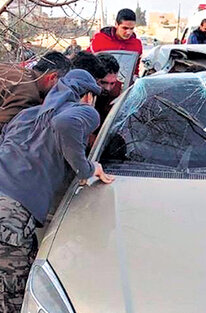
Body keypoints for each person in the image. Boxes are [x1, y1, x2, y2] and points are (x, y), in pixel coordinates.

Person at [0, 69, 114, 312]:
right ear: (87, 96)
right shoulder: (83, 110)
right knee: (13, 297)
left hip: (8, 207)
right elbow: (66, 123)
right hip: (10, 213)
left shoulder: (26, 115)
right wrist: (87, 169)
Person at [0, 51, 71, 130]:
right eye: (61, 85)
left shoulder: (14, 69)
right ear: (53, 77)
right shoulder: (28, 93)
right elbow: (6, 130)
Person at [88, 8, 143, 75]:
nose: (128, 32)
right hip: (101, 82)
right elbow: (87, 61)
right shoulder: (100, 39)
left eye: (131, 28)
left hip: (125, 83)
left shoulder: (136, 44)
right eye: (125, 28)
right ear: (116, 24)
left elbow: (135, 70)